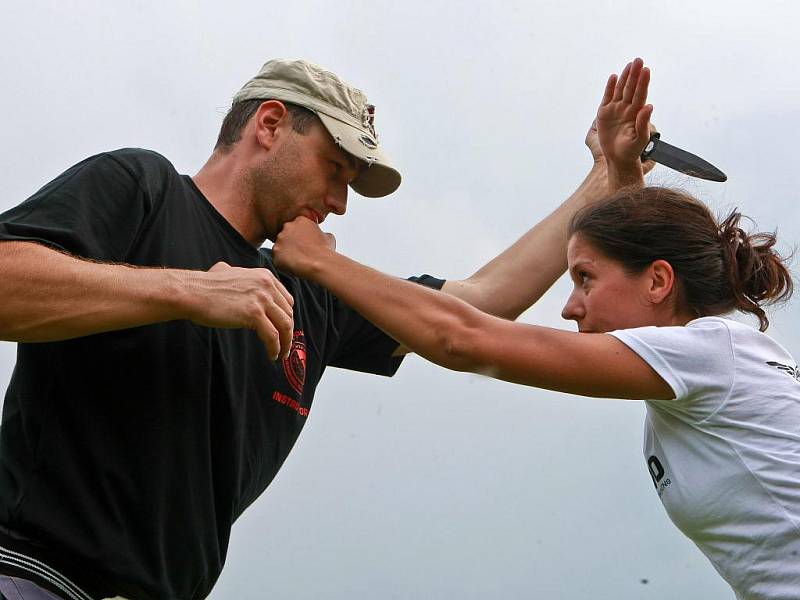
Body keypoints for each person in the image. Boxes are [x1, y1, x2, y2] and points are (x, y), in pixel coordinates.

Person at [0, 58, 649, 600]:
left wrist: (603, 177)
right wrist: (189, 289)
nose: (340, 202)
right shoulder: (140, 189)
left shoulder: (312, 294)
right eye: (335, 169)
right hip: (35, 576)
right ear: (271, 124)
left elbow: (480, 305)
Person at [273, 65, 799, 598]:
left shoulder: (710, 353)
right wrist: (617, 170)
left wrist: (319, 262)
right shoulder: (717, 362)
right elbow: (623, 249)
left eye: (585, 280)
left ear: (660, 281)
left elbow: (463, 338)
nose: (570, 309)